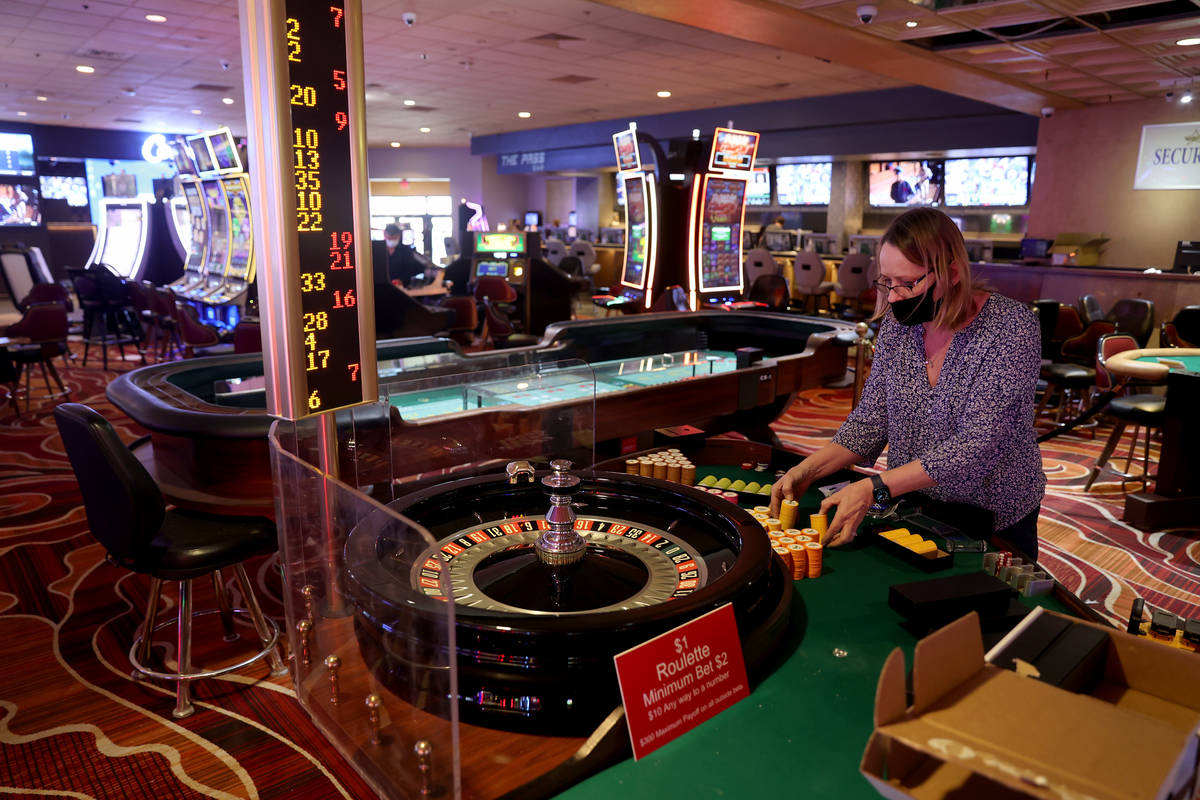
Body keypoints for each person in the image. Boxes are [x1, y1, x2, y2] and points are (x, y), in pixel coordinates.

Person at [769, 207, 1045, 561]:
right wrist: (809, 469)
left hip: (994, 512)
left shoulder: (1010, 328)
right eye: (886, 281)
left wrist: (875, 488)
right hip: (914, 503)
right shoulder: (899, 327)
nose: (894, 296)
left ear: (954, 272)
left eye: (908, 283)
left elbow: (978, 446)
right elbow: (871, 420)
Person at [384, 223, 426, 287]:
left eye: (394, 238)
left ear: (399, 236)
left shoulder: (406, 250)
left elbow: (410, 268)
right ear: (385, 235)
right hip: (383, 285)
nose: (392, 240)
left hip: (403, 286)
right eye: (390, 238)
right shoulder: (378, 250)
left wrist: (401, 280)